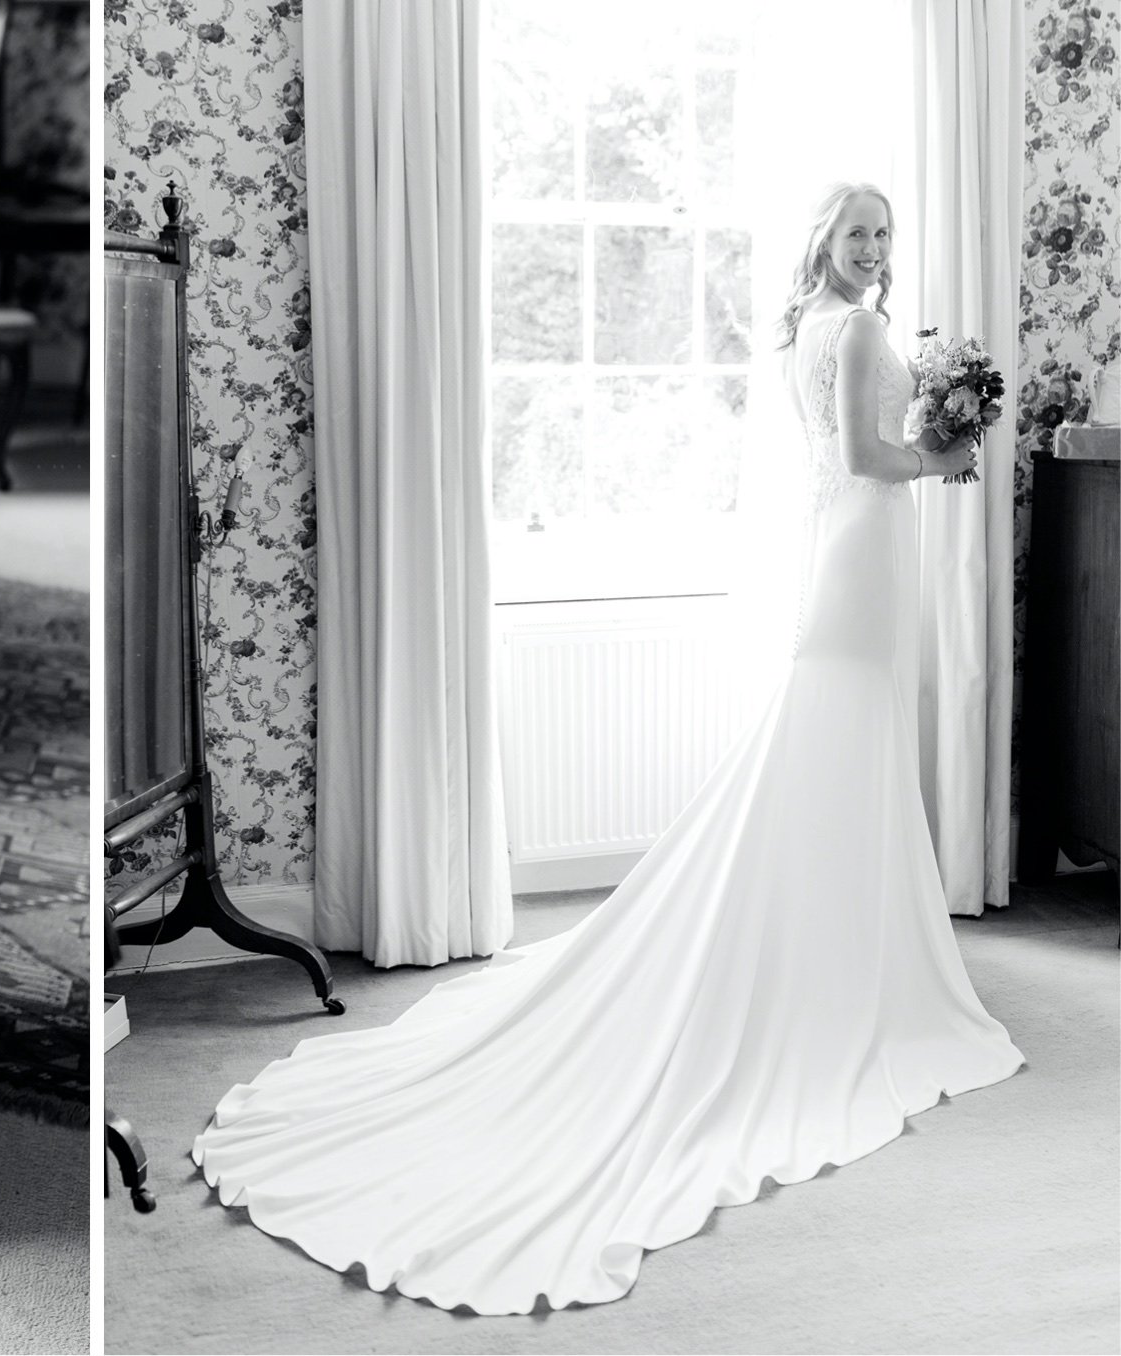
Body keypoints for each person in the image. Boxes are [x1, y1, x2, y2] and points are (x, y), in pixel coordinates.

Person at [190, 183, 1019, 1315]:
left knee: (838, 744)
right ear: (822, 243)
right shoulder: (862, 326)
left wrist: (926, 440)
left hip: (846, 553)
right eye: (853, 233)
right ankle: (840, 962)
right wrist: (947, 453)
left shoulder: (813, 330)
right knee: (839, 738)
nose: (872, 248)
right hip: (862, 547)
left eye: (881, 231)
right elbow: (869, 458)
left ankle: (840, 933)